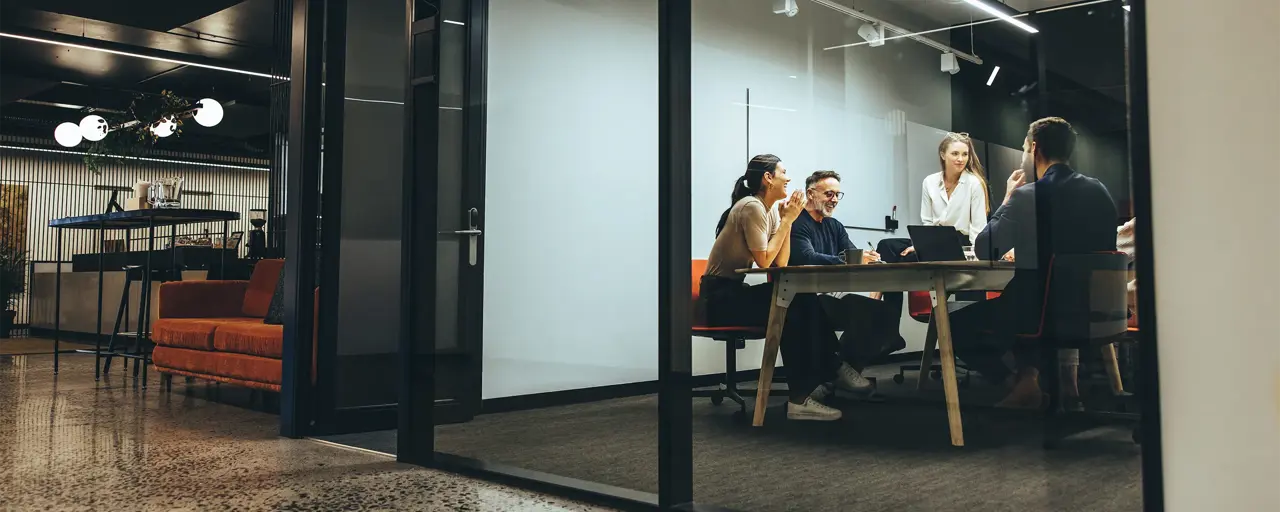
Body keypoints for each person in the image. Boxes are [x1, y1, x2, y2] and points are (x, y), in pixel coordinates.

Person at [948, 117, 1118, 408]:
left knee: (954, 324)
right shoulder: (1099, 191)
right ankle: (1031, 381)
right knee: (1024, 297)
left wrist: (1008, 198)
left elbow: (985, 248)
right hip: (1095, 309)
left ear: (1035, 149)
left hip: (1040, 311)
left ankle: (1017, 383)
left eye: (1024, 149)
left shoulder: (1028, 196)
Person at [701, 155, 845, 421]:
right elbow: (765, 261)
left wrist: (785, 221)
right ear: (768, 178)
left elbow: (781, 262)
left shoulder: (768, 210)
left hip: (733, 293)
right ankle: (816, 384)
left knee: (799, 299)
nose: (788, 178)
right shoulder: (751, 207)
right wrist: (789, 221)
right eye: (784, 172)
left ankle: (822, 377)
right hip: (719, 299)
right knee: (794, 302)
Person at [789, 170, 906, 400]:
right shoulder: (797, 223)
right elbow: (807, 258)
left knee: (882, 312)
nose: (834, 199)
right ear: (810, 194)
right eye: (829, 194)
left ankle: (842, 369)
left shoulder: (835, 226)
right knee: (869, 312)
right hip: (807, 301)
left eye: (837, 195)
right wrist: (850, 259)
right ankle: (840, 369)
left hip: (833, 295)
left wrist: (868, 258)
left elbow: (853, 256)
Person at [877, 132, 992, 332]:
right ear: (942, 154)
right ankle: (889, 330)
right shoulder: (929, 182)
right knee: (886, 247)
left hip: (960, 242)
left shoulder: (974, 183)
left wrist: (973, 258)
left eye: (965, 154)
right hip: (932, 240)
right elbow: (927, 222)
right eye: (955, 153)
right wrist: (918, 245)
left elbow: (978, 227)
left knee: (901, 262)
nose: (960, 159)